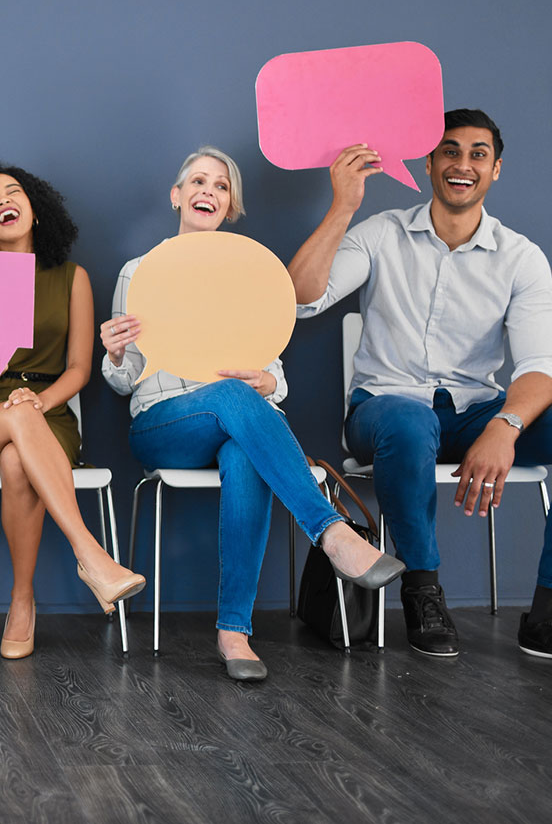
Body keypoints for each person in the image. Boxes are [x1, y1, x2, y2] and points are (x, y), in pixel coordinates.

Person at [288, 110, 552, 668]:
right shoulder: (381, 233)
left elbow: (543, 366)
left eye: (477, 154)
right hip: (384, 413)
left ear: (495, 170)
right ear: (428, 161)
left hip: (475, 415)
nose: (463, 164)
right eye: (450, 151)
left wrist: (503, 426)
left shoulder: (520, 257)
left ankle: (548, 616)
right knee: (408, 421)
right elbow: (299, 296)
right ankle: (422, 591)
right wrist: (345, 205)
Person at [102, 146, 402, 681]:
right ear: (177, 195)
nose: (208, 191)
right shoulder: (139, 271)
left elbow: (274, 376)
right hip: (163, 424)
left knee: (244, 448)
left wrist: (268, 379)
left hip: (235, 423)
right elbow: (125, 383)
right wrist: (117, 353)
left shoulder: (248, 277)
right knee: (234, 398)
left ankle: (234, 632)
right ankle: (332, 535)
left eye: (221, 186)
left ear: (230, 207)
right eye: (197, 181)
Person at [0, 159, 145, 659]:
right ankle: (90, 555)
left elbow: (79, 368)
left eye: (13, 193)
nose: (3, 202)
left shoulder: (72, 278)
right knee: (12, 425)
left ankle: (21, 601)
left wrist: (40, 399)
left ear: (35, 210)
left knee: (18, 458)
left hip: (49, 409)